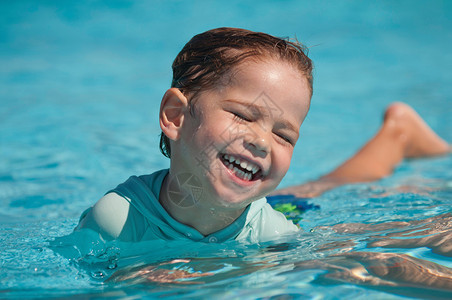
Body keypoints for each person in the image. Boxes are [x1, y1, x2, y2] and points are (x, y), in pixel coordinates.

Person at [75, 27, 450, 245]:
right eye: (242, 115)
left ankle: (399, 134)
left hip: (279, 211)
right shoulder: (117, 220)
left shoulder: (271, 231)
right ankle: (398, 134)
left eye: (284, 135)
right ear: (176, 116)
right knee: (317, 187)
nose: (263, 141)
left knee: (322, 189)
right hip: (271, 207)